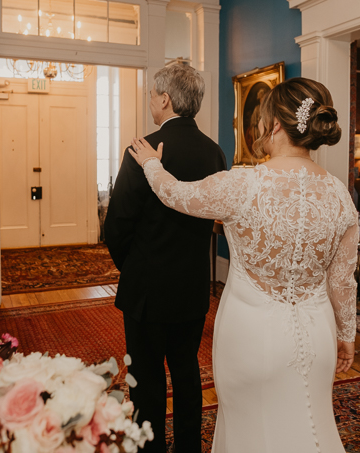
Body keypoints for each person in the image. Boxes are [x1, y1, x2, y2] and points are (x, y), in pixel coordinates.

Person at [127, 77, 358, 453]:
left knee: (248, 429)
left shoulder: (244, 184)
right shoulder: (339, 195)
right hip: (318, 336)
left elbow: (176, 194)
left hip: (251, 335)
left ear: (275, 125)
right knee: (311, 425)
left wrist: (153, 165)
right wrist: (346, 335)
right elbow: (343, 280)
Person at [105, 63, 226, 453]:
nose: (150, 103)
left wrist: (134, 265)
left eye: (151, 96)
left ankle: (151, 448)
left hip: (147, 288)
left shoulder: (142, 149)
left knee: (147, 380)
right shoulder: (214, 153)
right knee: (187, 373)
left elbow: (117, 224)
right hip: (192, 285)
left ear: (165, 98)